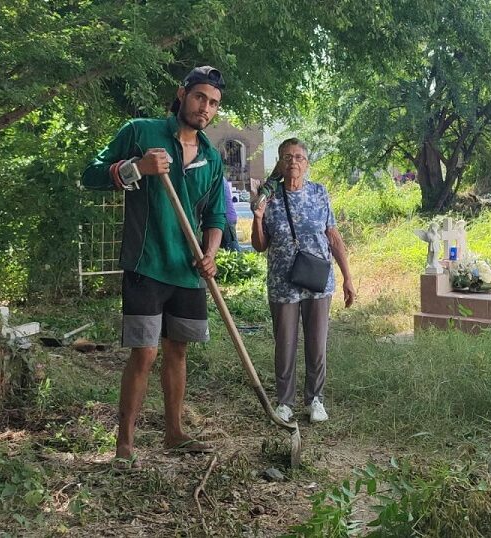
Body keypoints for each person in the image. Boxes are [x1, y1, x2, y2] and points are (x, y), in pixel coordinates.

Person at [81, 66, 227, 468]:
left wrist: (210, 252)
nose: (205, 108)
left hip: (187, 270)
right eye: (200, 97)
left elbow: (216, 217)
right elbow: (90, 174)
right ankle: (124, 444)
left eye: (213, 103)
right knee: (144, 354)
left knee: (177, 351)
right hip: (146, 264)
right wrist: (135, 169)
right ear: (182, 95)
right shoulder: (141, 132)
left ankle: (174, 433)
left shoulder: (213, 160)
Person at [250, 138, 355, 424]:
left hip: (318, 280)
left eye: (298, 157)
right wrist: (258, 217)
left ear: (306, 163)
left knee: (316, 343)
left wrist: (348, 277)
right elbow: (260, 245)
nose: (293, 162)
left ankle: (315, 400)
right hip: (283, 283)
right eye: (287, 157)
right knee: (284, 344)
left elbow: (333, 236)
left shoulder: (319, 193)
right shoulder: (268, 197)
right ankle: (284, 403)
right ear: (280, 164)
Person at [222, 179, 241, 251]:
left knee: (232, 250)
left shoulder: (217, 178)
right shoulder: (221, 178)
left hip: (226, 219)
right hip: (227, 218)